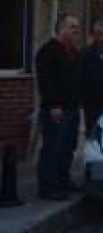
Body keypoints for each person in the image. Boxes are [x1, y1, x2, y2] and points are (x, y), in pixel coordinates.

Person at [35, 14, 82, 201]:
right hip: (57, 110)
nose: (77, 30)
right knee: (52, 148)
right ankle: (48, 187)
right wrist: (53, 105)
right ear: (61, 28)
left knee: (67, 147)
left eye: (77, 27)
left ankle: (63, 180)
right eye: (72, 27)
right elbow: (46, 81)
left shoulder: (74, 52)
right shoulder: (48, 51)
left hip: (72, 108)